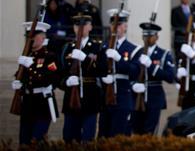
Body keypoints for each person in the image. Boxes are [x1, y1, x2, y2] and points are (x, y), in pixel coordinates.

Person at [60, 8, 106, 142]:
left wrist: (85, 58)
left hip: (90, 98)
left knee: (88, 139)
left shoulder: (97, 47)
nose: (79, 28)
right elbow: (59, 72)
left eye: (83, 24)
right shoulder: (67, 48)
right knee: (69, 137)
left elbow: (102, 70)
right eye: (76, 25)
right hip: (71, 99)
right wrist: (66, 81)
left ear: (90, 27)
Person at [12, 21, 59, 144]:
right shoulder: (27, 55)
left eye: (33, 35)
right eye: (28, 36)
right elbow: (22, 76)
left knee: (37, 141)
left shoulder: (50, 56)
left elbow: (49, 79)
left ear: (43, 38)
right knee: (24, 141)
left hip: (42, 103)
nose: (30, 39)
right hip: (28, 103)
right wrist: (18, 83)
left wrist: (31, 65)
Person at [98, 9, 140, 137]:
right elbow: (98, 68)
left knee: (119, 135)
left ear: (125, 26)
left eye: (119, 25)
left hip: (122, 97)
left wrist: (119, 59)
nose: (115, 28)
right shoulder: (104, 46)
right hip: (105, 97)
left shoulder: (133, 49)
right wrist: (103, 77)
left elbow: (135, 71)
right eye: (113, 25)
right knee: (103, 135)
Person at [130, 18, 176, 135]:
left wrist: (152, 66)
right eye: (145, 36)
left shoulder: (164, 54)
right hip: (136, 98)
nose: (147, 38)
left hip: (154, 98)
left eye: (150, 36)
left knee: (150, 132)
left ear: (156, 37)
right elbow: (130, 73)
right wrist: (133, 85)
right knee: (136, 131)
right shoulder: (136, 52)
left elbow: (170, 77)